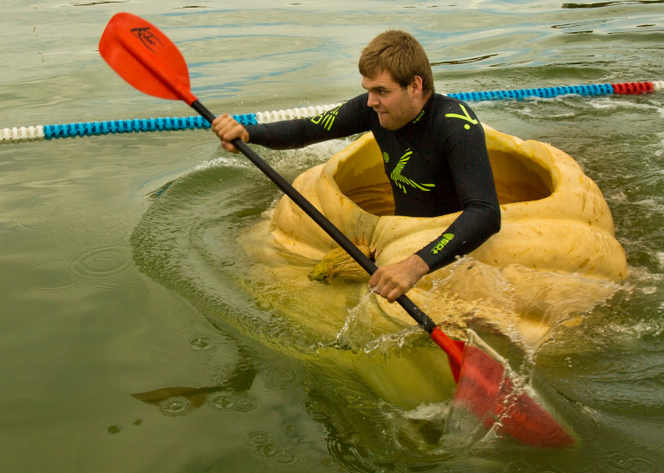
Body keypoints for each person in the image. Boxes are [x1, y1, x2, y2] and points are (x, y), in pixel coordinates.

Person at [211, 30, 501, 302]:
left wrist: (414, 265)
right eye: (368, 90)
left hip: (448, 253)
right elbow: (305, 131)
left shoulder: (455, 126)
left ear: (415, 86)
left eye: (381, 91)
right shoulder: (374, 110)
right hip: (397, 240)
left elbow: (485, 212)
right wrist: (249, 133)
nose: (371, 102)